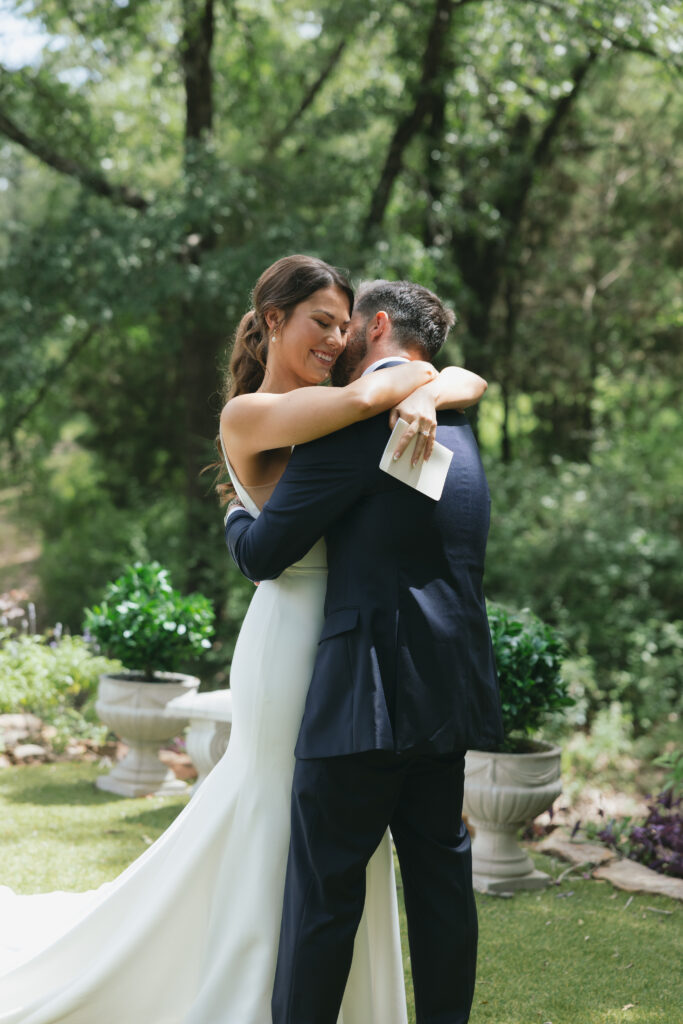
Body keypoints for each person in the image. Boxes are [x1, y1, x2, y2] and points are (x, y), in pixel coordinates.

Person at [0, 256, 486, 1024]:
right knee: (282, 824)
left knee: (323, 840)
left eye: (340, 324)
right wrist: (429, 383)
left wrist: (440, 382)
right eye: (319, 323)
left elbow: (441, 385)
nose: (333, 338)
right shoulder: (265, 414)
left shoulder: (347, 410)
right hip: (298, 638)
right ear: (271, 323)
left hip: (350, 648)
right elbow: (374, 393)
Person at [225, 277, 504, 1024]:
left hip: (362, 699)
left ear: (375, 326)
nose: (337, 340)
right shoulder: (462, 431)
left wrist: (232, 523)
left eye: (348, 327)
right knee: (442, 888)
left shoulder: (351, 431)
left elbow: (265, 552)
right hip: (449, 697)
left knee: (324, 899)